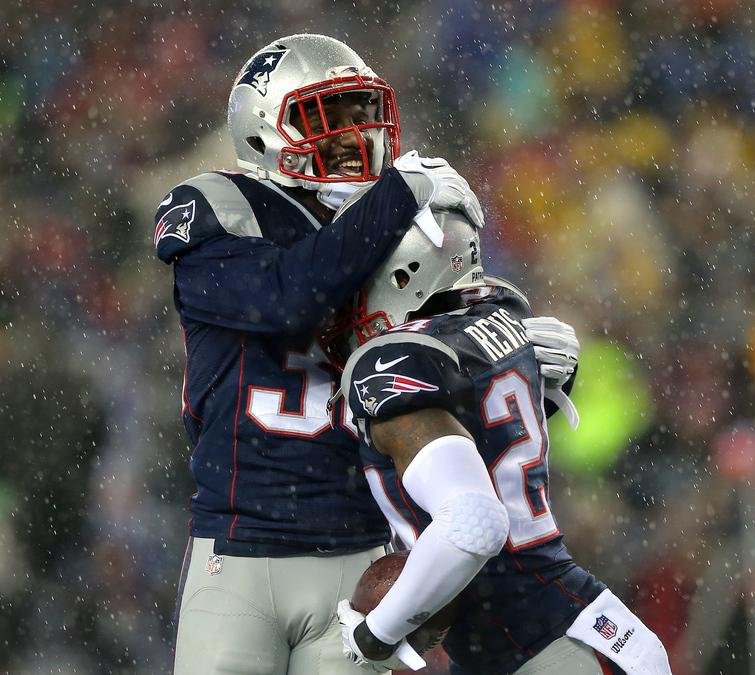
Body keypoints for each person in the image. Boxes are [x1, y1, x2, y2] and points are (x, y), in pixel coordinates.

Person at [154, 34, 578, 674]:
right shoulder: (218, 207)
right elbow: (287, 298)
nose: (354, 133)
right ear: (264, 129)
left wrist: (515, 350)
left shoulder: (399, 220)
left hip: (361, 553)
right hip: (239, 551)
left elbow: (447, 359)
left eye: (360, 113)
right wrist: (398, 197)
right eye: (327, 116)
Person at [328, 208, 673, 675]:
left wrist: (376, 634)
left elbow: (473, 521)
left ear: (404, 271)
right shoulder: (498, 323)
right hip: (566, 626)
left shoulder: (396, 356)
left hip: (539, 645)